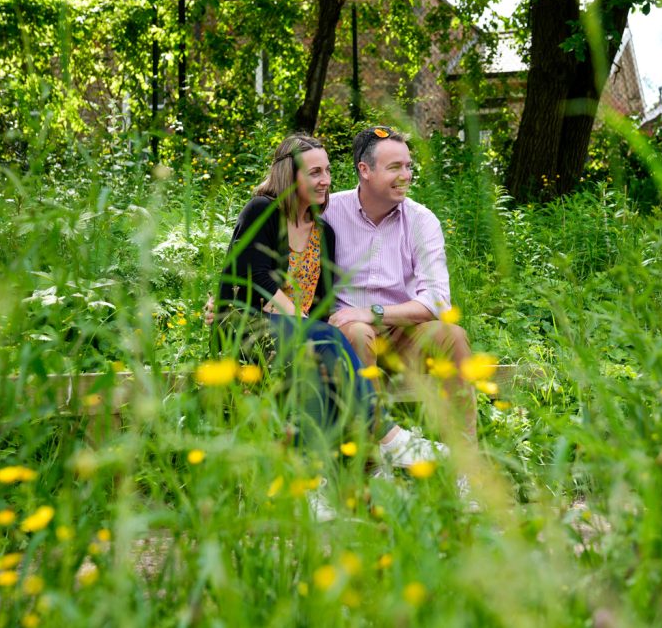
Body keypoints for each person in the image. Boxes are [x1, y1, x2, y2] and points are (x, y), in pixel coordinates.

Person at [204, 134, 449, 519]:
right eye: (315, 172)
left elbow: (320, 301)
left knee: (317, 367)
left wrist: (309, 328)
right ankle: (389, 438)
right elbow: (257, 279)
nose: (326, 180)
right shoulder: (262, 211)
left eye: (328, 171)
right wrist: (304, 325)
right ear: (290, 175)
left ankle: (314, 487)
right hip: (246, 328)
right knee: (324, 342)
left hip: (299, 334)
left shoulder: (323, 231)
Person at [323, 126, 477, 441]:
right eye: (395, 167)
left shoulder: (421, 221)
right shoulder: (329, 213)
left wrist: (372, 312)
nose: (406, 175)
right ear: (364, 170)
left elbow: (436, 301)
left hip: (404, 334)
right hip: (350, 335)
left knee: (454, 337)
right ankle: (373, 462)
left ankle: (466, 464)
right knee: (356, 331)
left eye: (408, 166)